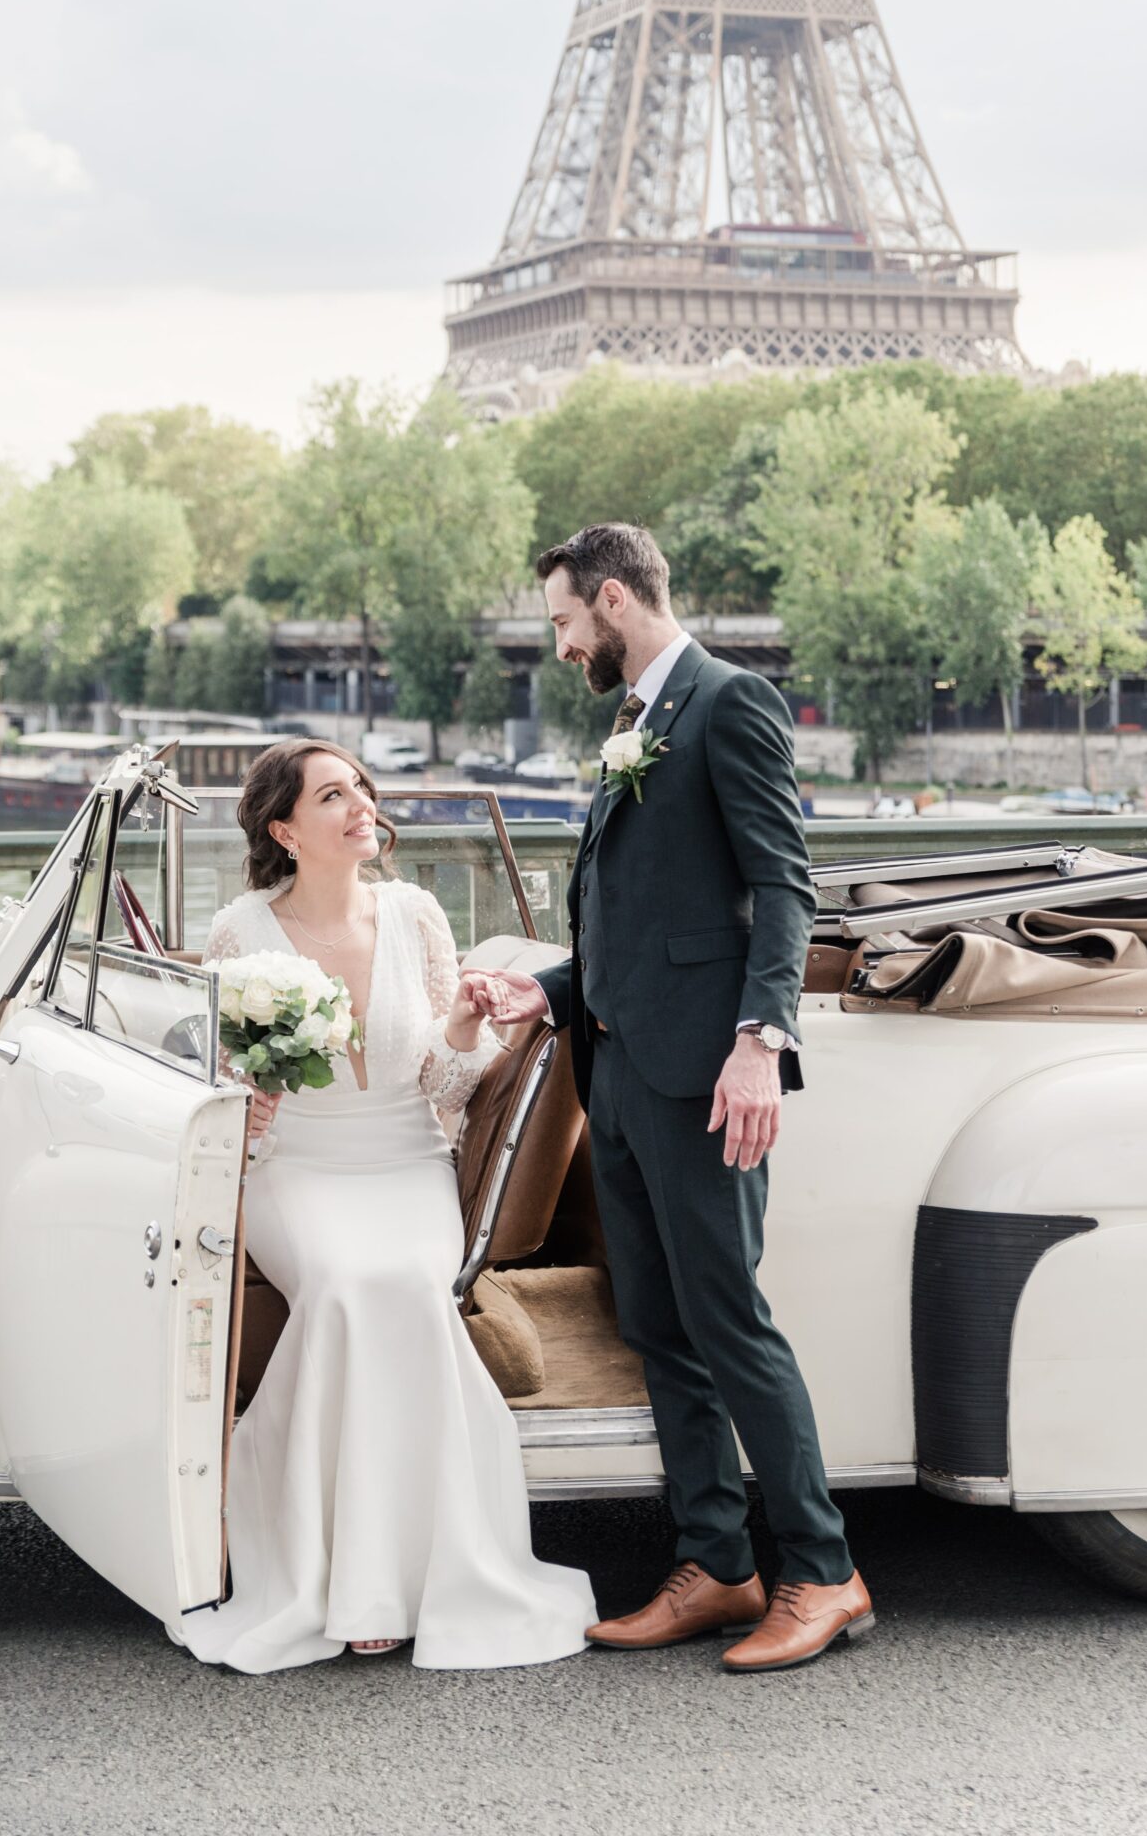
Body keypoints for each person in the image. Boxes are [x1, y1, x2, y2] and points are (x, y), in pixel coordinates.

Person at [466, 524, 872, 1674]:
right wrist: (540, 988)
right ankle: (717, 1564)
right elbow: (635, 913)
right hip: (622, 1076)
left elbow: (778, 885)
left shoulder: (728, 702)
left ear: (609, 598)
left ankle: (821, 1571)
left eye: (560, 621)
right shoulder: (635, 722)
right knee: (658, 1327)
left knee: (729, 1323)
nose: (558, 644)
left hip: (705, 1078)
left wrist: (759, 1041)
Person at [177, 738, 596, 1674]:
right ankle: (327, 1574)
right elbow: (220, 1092)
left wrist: (463, 1027)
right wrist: (254, 1097)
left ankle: (412, 1574)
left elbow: (450, 1085)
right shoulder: (241, 932)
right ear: (285, 829)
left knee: (404, 1280)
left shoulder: (413, 914)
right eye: (333, 795)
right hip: (298, 1168)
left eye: (361, 788)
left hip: (407, 1159)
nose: (361, 804)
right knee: (338, 1281)